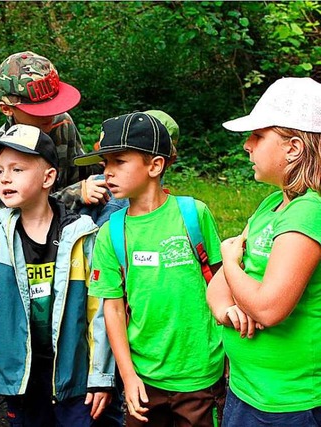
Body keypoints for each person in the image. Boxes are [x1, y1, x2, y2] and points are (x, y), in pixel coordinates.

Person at [0, 124, 115, 426]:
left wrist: (101, 377)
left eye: (17, 169)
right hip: (21, 375)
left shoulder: (81, 235)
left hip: (73, 375)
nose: (4, 178)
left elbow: (98, 312)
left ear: (48, 177)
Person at [77, 112, 225, 426]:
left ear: (155, 166)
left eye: (119, 161)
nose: (108, 173)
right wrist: (128, 377)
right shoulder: (111, 232)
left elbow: (220, 280)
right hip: (144, 380)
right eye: (105, 164)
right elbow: (113, 310)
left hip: (200, 374)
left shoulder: (193, 214)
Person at [207, 77, 321, 426]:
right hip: (246, 390)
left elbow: (269, 308)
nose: (247, 145)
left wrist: (230, 261)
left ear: (294, 147)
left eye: (258, 136)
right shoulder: (272, 205)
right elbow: (215, 293)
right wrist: (230, 312)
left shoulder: (309, 212)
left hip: (288, 404)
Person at [0, 51, 109, 211]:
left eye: (53, 105)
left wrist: (108, 159)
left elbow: (80, 175)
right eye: (38, 110)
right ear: (7, 109)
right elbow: (14, 213)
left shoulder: (62, 122)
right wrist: (73, 194)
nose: (50, 114)